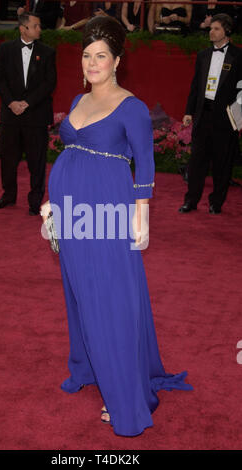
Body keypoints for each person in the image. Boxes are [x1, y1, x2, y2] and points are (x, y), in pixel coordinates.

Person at [40, 15, 192, 437]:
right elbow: (69, 156)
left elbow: (145, 162)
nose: (92, 63)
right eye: (87, 56)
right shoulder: (76, 101)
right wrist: (53, 204)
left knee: (110, 299)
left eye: (100, 56)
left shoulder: (132, 106)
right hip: (71, 211)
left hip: (108, 213)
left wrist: (140, 216)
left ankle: (125, 393)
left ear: (117, 60)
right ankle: (90, 366)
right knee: (80, 293)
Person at [0, 12, 56, 215]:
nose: (39, 29)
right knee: (8, 159)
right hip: (11, 116)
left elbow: (49, 83)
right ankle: (8, 196)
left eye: (39, 26)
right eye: (35, 26)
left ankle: (35, 202)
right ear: (23, 29)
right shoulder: (6, 49)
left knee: (37, 161)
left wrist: (27, 103)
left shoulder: (47, 52)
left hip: (35, 115)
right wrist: (11, 103)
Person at [179, 14, 242, 215]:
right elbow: (195, 86)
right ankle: (191, 200)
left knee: (222, 163)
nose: (211, 32)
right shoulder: (203, 55)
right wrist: (189, 111)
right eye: (210, 28)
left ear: (227, 31)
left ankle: (216, 202)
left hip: (225, 117)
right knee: (197, 161)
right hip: (202, 114)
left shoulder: (239, 57)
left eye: (215, 28)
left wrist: (237, 114)